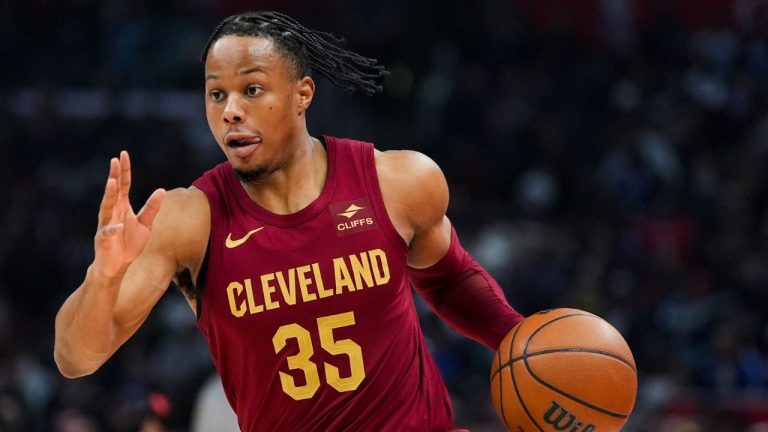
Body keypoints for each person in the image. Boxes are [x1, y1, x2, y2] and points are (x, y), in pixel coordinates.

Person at [53, 11, 523, 431]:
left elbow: (450, 279)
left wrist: (521, 340)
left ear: (303, 94)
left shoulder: (397, 181)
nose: (230, 111)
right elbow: (76, 358)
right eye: (216, 93)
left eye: (251, 89)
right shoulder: (188, 219)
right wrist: (104, 277)